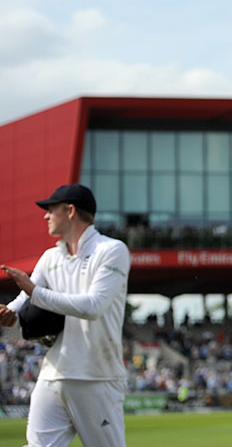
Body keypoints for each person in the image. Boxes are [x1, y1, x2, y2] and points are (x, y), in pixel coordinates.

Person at [0, 183, 130, 447]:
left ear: (70, 211)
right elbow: (24, 298)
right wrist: (9, 312)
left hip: (97, 376)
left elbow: (93, 306)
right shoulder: (50, 257)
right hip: (54, 373)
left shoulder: (112, 251)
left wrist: (35, 293)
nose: (45, 216)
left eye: (51, 210)